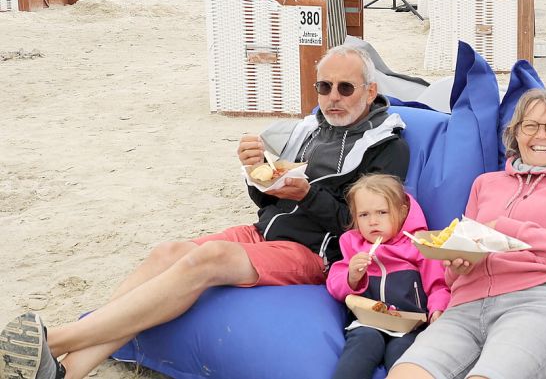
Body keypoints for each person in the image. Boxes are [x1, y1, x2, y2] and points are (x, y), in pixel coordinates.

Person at [0, 45, 410, 379]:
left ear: (369, 92)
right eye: (325, 87)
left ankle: (56, 339)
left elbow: (363, 225)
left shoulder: (387, 145)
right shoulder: (310, 129)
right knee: (167, 253)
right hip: (264, 231)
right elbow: (269, 203)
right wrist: (258, 175)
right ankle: (67, 371)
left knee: (208, 259)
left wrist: (304, 196)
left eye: (345, 88)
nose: (333, 97)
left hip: (314, 253)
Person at [388, 89, 546, 379]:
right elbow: (457, 267)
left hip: (537, 303)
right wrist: (458, 264)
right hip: (466, 305)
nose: (540, 136)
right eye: (530, 125)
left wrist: (510, 228)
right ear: (516, 133)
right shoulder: (485, 184)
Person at [327, 174, 450, 379]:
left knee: (403, 355)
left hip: (410, 325)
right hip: (368, 322)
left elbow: (438, 284)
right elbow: (335, 285)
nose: (373, 221)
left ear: (402, 213)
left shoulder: (420, 245)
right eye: (364, 215)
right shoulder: (353, 245)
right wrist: (352, 277)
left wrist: (438, 310)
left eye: (382, 212)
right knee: (362, 343)